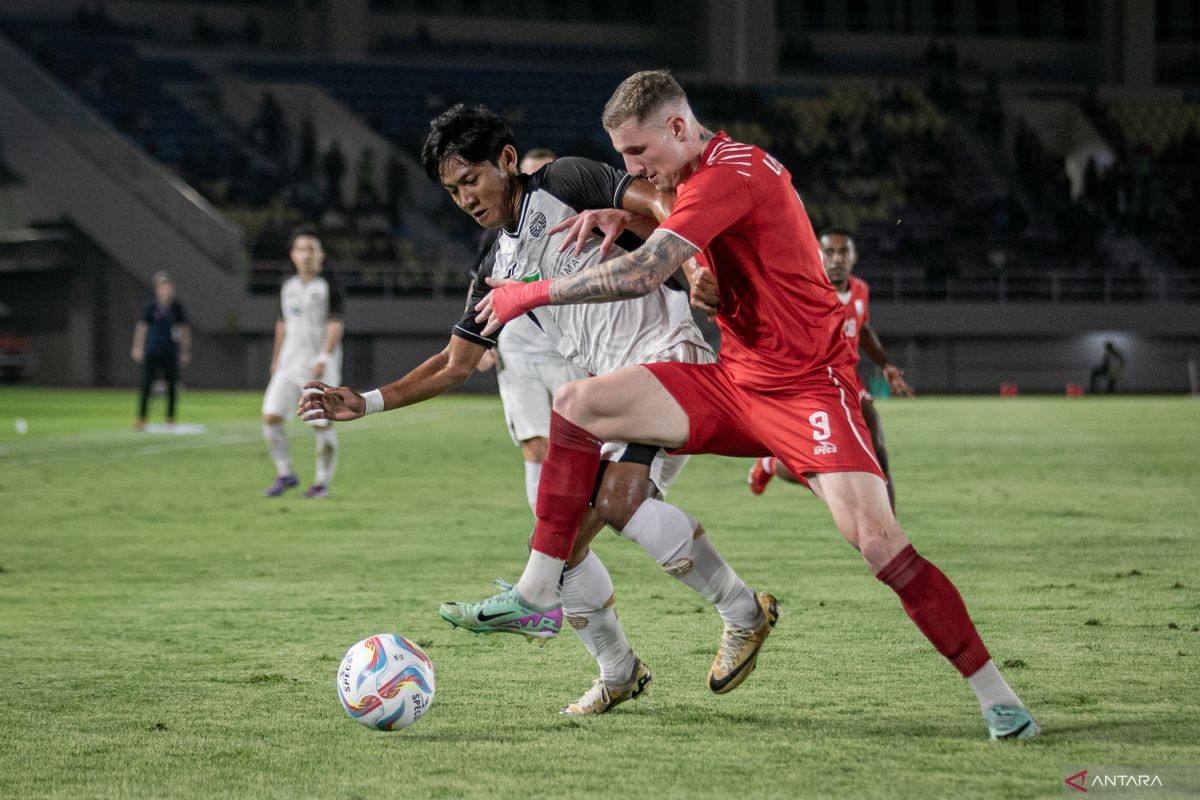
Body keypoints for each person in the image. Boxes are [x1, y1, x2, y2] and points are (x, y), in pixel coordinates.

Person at [468, 70, 1038, 739]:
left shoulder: (728, 176)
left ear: (678, 128)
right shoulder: (692, 173)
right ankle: (539, 589)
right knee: (579, 403)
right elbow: (677, 224)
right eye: (622, 158)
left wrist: (525, 295)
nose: (631, 168)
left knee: (880, 544)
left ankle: (997, 695)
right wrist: (626, 210)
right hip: (735, 383)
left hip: (807, 391)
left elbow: (643, 272)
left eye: (637, 154)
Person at [299, 104, 774, 714]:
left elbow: (657, 200)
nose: (465, 198)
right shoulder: (494, 266)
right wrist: (363, 402)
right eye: (451, 191)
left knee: (615, 504)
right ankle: (620, 668)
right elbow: (455, 363)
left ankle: (739, 612)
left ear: (505, 160)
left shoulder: (566, 181)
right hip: (613, 393)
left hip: (665, 356)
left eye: (471, 179)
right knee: (569, 544)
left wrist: (692, 259)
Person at [748, 229, 914, 510]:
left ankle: (893, 541)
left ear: (854, 257)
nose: (837, 259)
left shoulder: (860, 289)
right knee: (820, 465)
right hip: (811, 385)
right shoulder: (803, 289)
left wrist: (886, 365)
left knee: (878, 450)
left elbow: (861, 330)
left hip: (849, 382)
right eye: (830, 252)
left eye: (843, 252)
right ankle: (772, 464)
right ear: (819, 256)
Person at [472, 147, 589, 513]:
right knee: (535, 445)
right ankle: (546, 541)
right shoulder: (498, 230)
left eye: (545, 175)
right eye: (529, 175)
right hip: (518, 350)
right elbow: (480, 284)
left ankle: (570, 539)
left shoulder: (579, 221)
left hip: (568, 348)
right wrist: (481, 339)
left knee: (574, 447)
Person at [261, 226, 344, 499]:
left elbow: (335, 323)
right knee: (271, 416)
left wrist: (324, 356)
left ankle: (321, 482)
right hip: (288, 364)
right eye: (301, 249)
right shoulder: (288, 286)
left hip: (317, 367)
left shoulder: (329, 285)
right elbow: (282, 323)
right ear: (292, 255)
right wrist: (275, 360)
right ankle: (285, 473)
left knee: (320, 423)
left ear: (321, 254)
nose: (306, 255)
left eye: (311, 249)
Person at [131, 271, 190, 430]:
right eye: (163, 287)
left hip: (170, 351)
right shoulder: (151, 306)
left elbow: (183, 329)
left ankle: (170, 418)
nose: (166, 290)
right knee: (146, 385)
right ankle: (141, 418)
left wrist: (184, 351)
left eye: (168, 286)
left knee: (172, 386)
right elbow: (142, 327)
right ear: (157, 289)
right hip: (153, 350)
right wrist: (138, 347)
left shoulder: (177, 307)